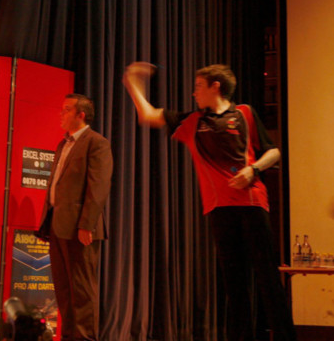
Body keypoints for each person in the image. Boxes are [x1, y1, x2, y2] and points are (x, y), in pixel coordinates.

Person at [123, 62, 296, 341]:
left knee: (267, 277)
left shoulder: (244, 114)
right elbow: (147, 114)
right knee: (234, 282)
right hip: (219, 209)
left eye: (198, 87)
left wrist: (254, 169)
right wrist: (132, 83)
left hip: (252, 204)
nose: (194, 93)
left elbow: (273, 152)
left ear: (216, 87)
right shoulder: (193, 122)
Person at [37, 93, 113, 341]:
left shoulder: (96, 142)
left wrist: (86, 224)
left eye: (66, 110)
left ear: (81, 115)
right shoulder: (63, 144)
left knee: (81, 291)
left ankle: (84, 338)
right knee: (64, 290)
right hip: (58, 225)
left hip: (81, 228)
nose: (61, 114)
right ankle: (69, 336)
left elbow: (98, 187)